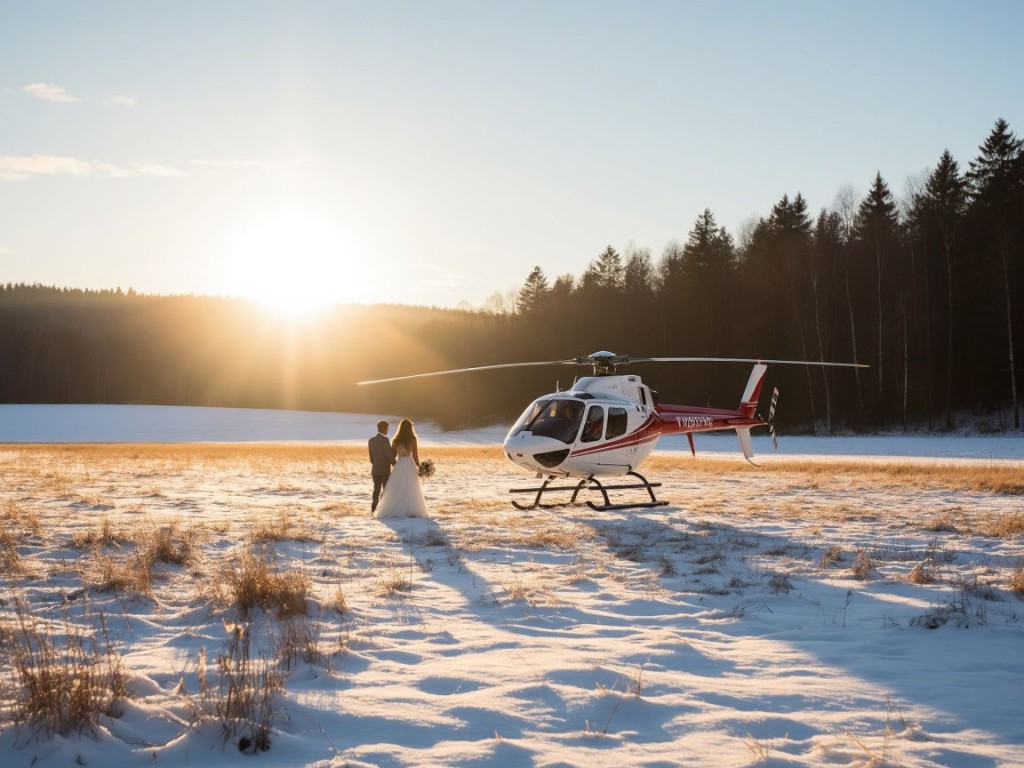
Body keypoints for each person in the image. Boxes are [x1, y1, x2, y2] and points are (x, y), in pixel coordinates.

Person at [373, 418, 429, 518]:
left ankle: (395, 508)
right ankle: (410, 509)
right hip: (409, 465)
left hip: (399, 465)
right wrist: (422, 468)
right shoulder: (413, 439)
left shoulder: (395, 440)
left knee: (397, 488)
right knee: (411, 487)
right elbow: (416, 458)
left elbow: (393, 455)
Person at [368, 420, 396, 513]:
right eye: (387, 428)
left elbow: (371, 457)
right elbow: (388, 453)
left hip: (375, 469)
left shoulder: (371, 440)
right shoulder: (385, 440)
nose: (387, 430)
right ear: (384, 429)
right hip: (384, 469)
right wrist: (394, 462)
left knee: (376, 489)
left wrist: (375, 463)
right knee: (386, 489)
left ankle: (374, 507)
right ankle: (384, 508)